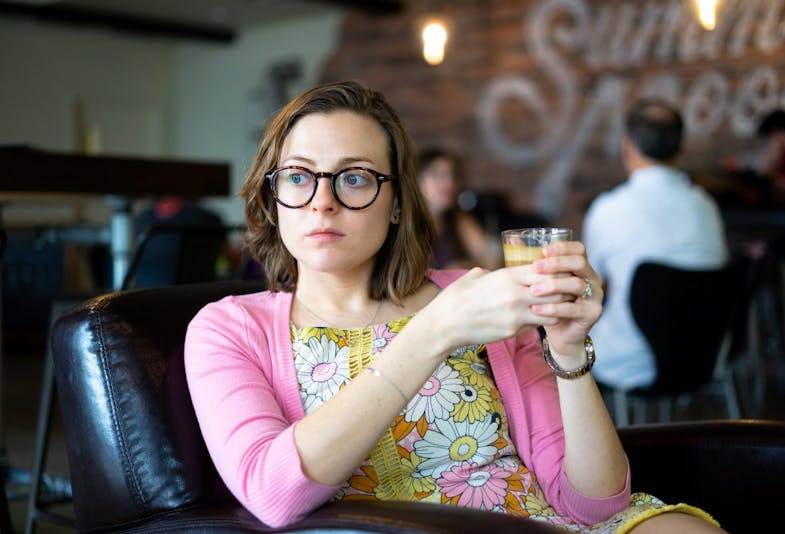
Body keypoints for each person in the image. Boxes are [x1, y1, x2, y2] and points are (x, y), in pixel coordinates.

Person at [185, 81, 725, 532]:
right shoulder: (228, 328)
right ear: (272, 194)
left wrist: (567, 349)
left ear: (397, 204)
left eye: (354, 178)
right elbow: (271, 493)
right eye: (299, 176)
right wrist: (432, 331)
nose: (322, 200)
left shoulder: (476, 297)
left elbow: (595, 503)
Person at [582, 99, 729, 390]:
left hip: (627, 362)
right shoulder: (705, 205)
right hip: (705, 355)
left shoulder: (607, 209)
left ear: (628, 147)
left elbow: (592, 283)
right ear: (680, 149)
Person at [418, 146, 502, 269]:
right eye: (437, 174)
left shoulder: (458, 218)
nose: (449, 182)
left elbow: (493, 258)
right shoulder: (406, 225)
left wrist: (464, 266)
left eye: (453, 175)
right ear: (416, 179)